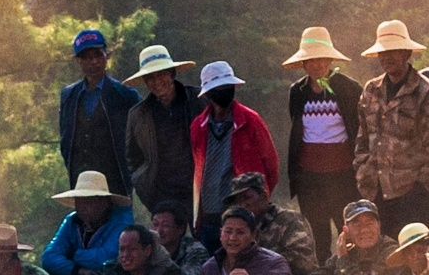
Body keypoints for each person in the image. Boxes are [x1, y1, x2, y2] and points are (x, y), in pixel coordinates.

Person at [181, 59, 274, 254]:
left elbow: (271, 164)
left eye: (228, 87)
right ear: (209, 94)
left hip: (243, 209)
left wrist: (258, 199)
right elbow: (197, 168)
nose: (225, 92)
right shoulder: (198, 126)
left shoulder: (250, 120)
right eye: (219, 89)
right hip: (209, 211)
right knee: (211, 265)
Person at [282, 29, 361, 258]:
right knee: (318, 234)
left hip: (343, 174)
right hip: (309, 177)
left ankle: (352, 272)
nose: (317, 65)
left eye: (321, 59)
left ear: (330, 60)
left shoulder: (348, 88)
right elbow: (298, 127)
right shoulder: (298, 91)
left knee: (349, 229)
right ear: (304, 63)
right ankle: (325, 274)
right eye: (311, 60)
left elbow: (359, 127)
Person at [121, 44, 199, 237]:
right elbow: (133, 159)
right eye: (151, 78)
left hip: (200, 190)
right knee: (167, 244)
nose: (157, 82)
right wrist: (144, 187)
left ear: (172, 73)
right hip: (162, 195)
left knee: (206, 241)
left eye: (161, 75)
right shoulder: (138, 115)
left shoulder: (198, 100)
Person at [56, 28, 138, 198]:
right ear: (78, 61)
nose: (93, 62)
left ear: (106, 55)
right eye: (87, 57)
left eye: (98, 55)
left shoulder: (125, 95)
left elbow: (140, 137)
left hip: (117, 183)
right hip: (81, 183)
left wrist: (132, 173)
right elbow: (66, 139)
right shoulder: (69, 95)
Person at [38, 170, 131, 275]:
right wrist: (78, 270)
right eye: (79, 201)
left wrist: (72, 254)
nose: (82, 207)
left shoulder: (122, 221)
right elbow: (48, 257)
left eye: (88, 201)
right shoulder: (72, 221)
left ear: (104, 203)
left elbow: (105, 258)